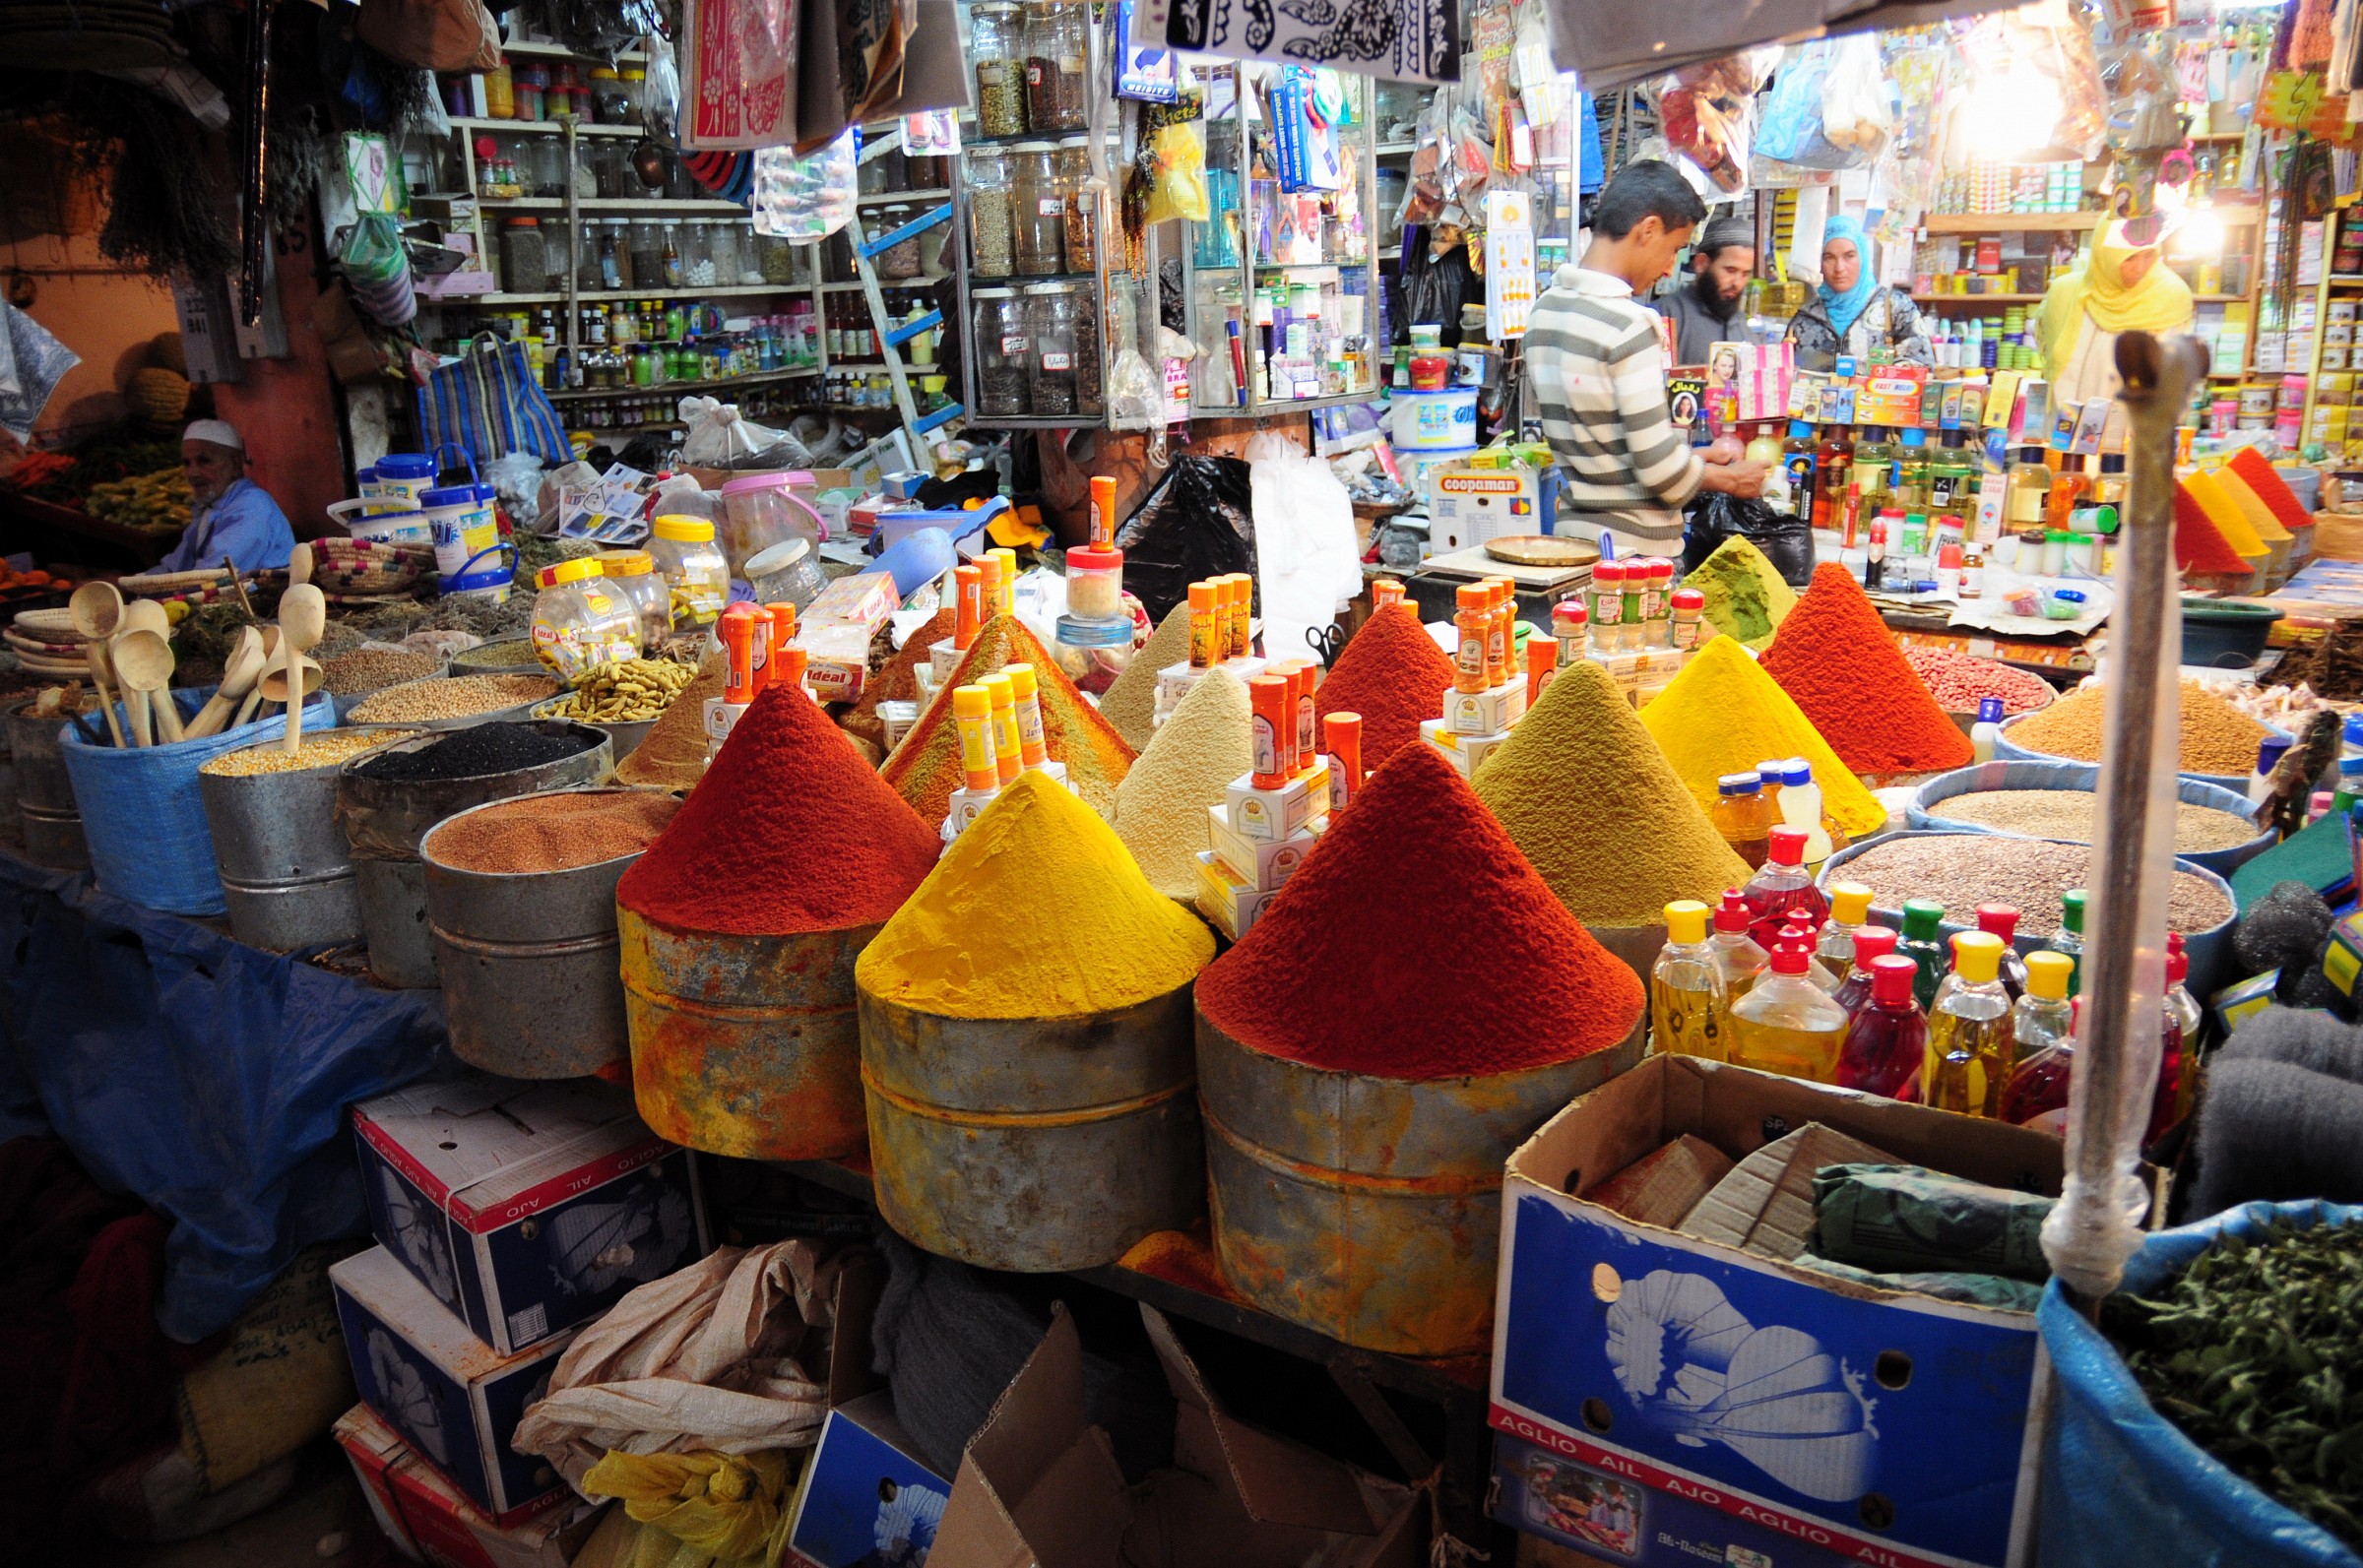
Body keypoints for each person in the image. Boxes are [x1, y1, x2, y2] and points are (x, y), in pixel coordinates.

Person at [1526, 161, 1768, 559]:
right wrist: (1729, 480)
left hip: (1576, 539)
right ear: (1648, 229)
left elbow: (1605, 446)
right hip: (1635, 558)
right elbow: (1662, 476)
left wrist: (1694, 458)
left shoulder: (1546, 309)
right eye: (1674, 248)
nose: (1671, 266)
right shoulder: (1630, 324)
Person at [2036, 218, 2196, 410]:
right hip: (2063, 431)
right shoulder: (2066, 293)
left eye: (2148, 255)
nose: (2140, 268)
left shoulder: (2169, 297)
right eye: (2129, 258)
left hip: (2130, 432)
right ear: (2104, 256)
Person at [1784, 214, 1930, 370]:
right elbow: (1785, 380)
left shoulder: (1895, 308)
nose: (1839, 268)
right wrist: (1784, 361)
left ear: (1863, 257)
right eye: (1829, 258)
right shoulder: (1806, 317)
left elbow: (1922, 365)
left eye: (1849, 256)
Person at [159, 419, 294, 574]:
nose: (192, 473)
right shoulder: (207, 509)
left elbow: (215, 574)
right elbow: (174, 567)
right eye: (187, 463)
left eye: (204, 461)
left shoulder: (253, 505)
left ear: (235, 463)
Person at [1662, 215, 1757, 364]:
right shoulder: (1666, 315)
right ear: (1701, 263)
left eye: (1745, 274)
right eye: (1730, 270)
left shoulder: (1740, 323)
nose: (1737, 283)